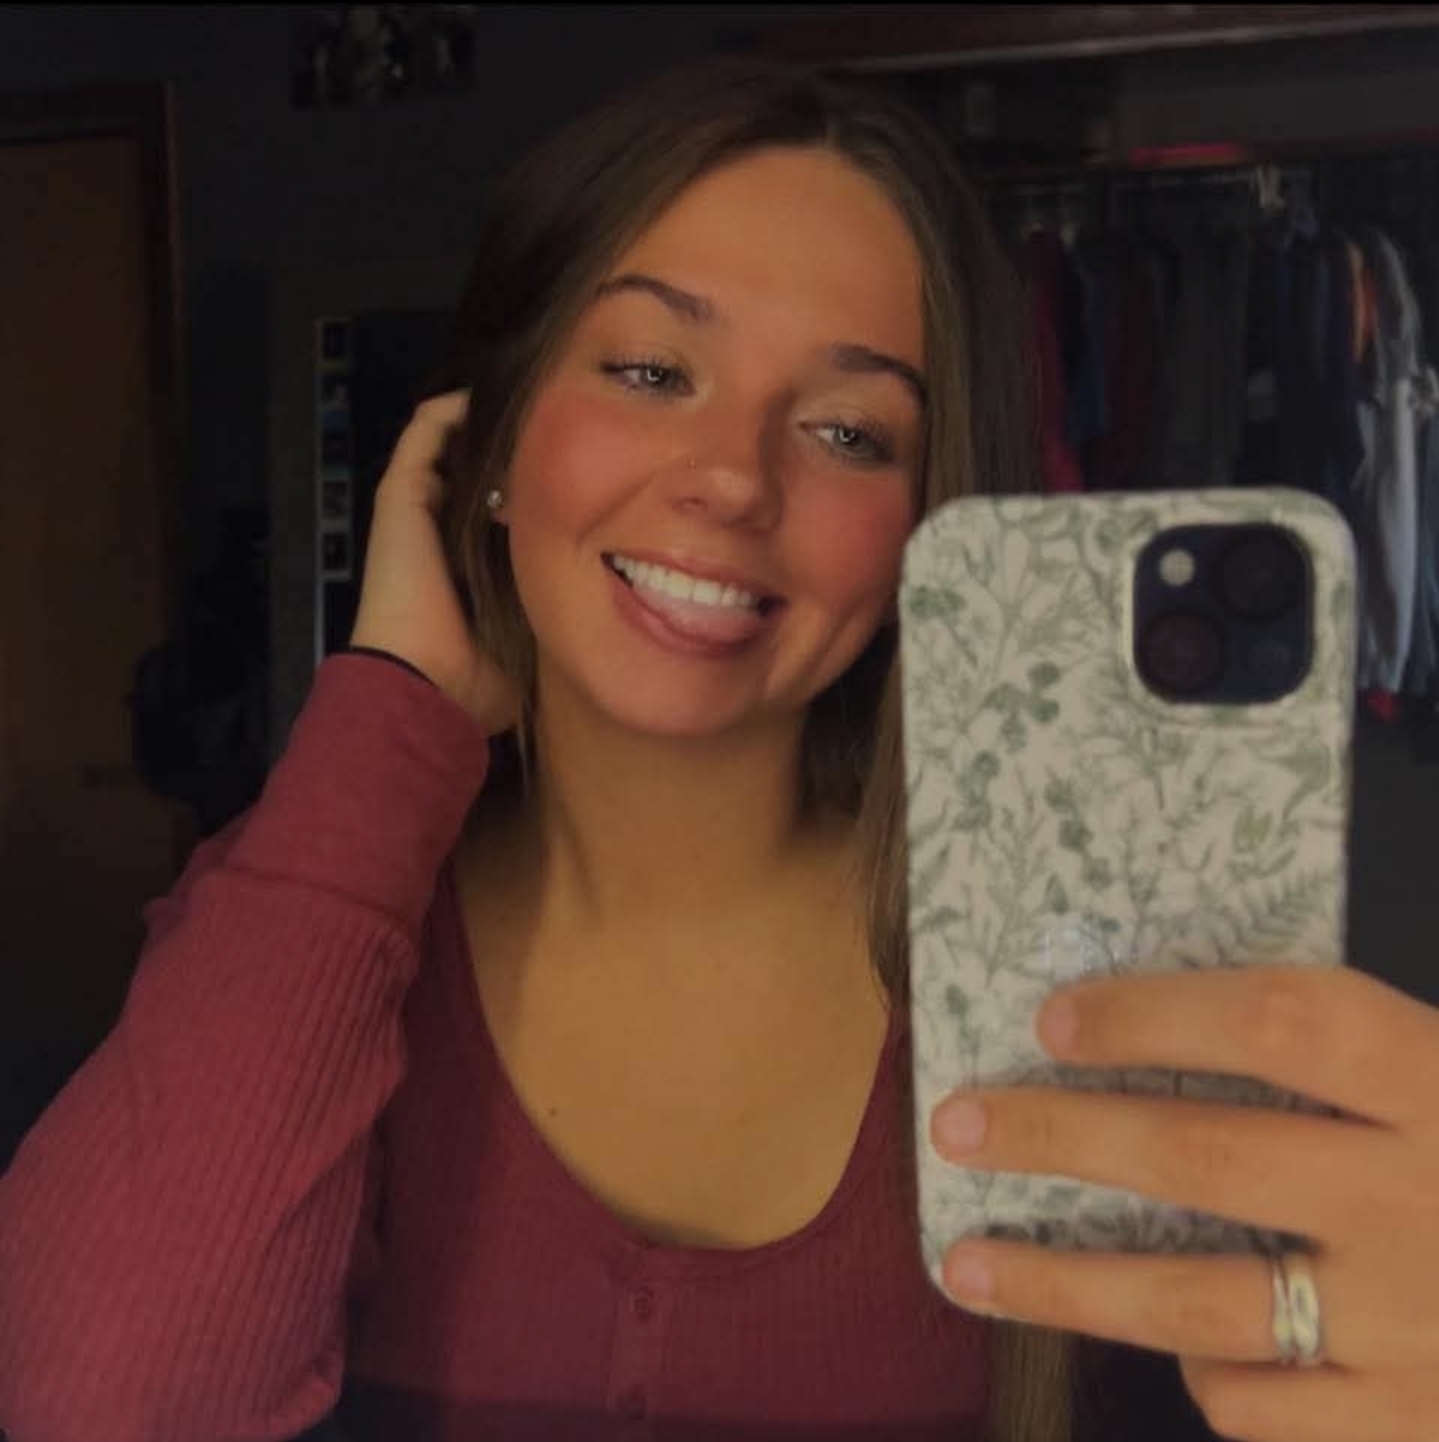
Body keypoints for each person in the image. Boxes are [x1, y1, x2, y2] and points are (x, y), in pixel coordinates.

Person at [4, 55, 1439, 1442]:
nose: (736, 479)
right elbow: (106, 1406)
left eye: (850, 432)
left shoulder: (1086, 964)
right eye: (649, 369)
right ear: (493, 436)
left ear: (926, 524)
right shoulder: (300, 920)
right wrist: (387, 705)